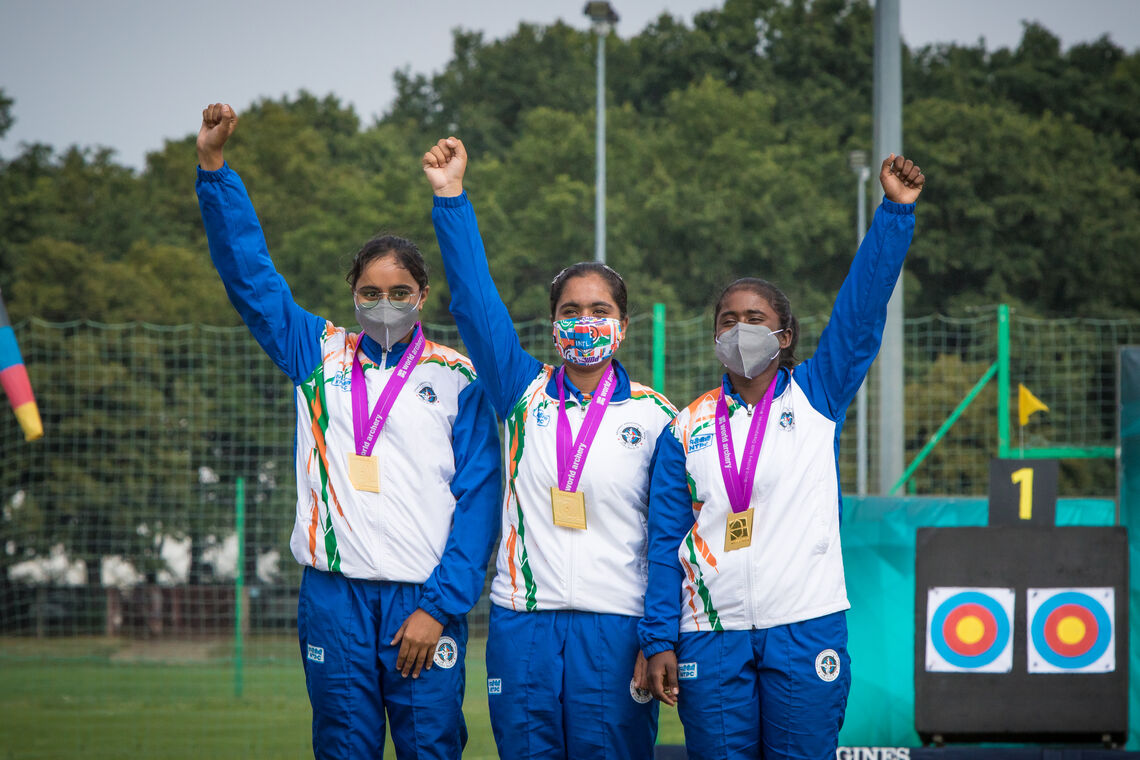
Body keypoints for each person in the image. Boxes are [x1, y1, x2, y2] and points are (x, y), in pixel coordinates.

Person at [194, 104, 501, 760]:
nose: (384, 304)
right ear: (353, 294)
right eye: (370, 292)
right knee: (342, 748)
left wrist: (440, 607)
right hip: (334, 596)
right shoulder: (316, 352)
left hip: (424, 599)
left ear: (422, 295)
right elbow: (251, 278)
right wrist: (215, 170)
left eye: (399, 292)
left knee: (431, 747)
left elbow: (479, 501)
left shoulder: (459, 376)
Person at [639, 154, 926, 760]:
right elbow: (664, 543)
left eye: (755, 319)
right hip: (710, 633)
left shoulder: (817, 397)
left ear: (785, 335)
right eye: (728, 321)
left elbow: (861, 312)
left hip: (804, 624)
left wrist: (895, 214)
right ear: (715, 338)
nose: (740, 329)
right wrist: (659, 637)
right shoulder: (683, 429)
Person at [423, 136, 676, 759]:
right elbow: (475, 303)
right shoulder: (521, 391)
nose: (584, 321)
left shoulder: (658, 417)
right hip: (523, 624)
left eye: (599, 309)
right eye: (571, 309)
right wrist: (452, 199)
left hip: (616, 626)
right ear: (553, 323)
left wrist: (659, 637)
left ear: (622, 325)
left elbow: (672, 539)